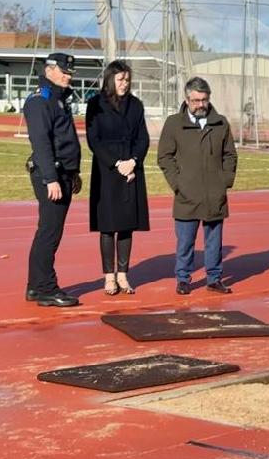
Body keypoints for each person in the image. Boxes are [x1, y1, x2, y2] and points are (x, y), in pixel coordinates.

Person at [157, 77, 238, 295]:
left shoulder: (220, 122)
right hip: (186, 194)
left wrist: (225, 181)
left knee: (214, 242)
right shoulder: (174, 123)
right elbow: (164, 157)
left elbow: (230, 155)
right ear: (187, 99)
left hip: (214, 193)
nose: (200, 105)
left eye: (204, 100)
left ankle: (214, 278)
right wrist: (178, 183)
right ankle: (183, 278)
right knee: (185, 242)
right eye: (195, 101)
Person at [24, 52, 83, 307]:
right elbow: (42, 144)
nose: (68, 76)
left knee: (49, 232)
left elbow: (64, 139)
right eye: (64, 71)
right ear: (49, 70)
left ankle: (36, 286)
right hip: (51, 174)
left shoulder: (58, 99)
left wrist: (74, 172)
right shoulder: (40, 101)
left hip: (63, 173)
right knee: (49, 232)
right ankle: (46, 288)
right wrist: (51, 179)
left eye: (70, 73)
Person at [86, 60, 150, 295]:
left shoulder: (136, 105)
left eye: (127, 79)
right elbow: (94, 140)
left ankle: (123, 275)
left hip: (131, 171)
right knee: (107, 226)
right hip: (107, 171)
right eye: (121, 79)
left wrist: (133, 161)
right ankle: (108, 277)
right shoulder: (95, 104)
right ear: (111, 79)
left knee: (126, 226)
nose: (125, 83)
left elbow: (143, 138)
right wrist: (116, 163)